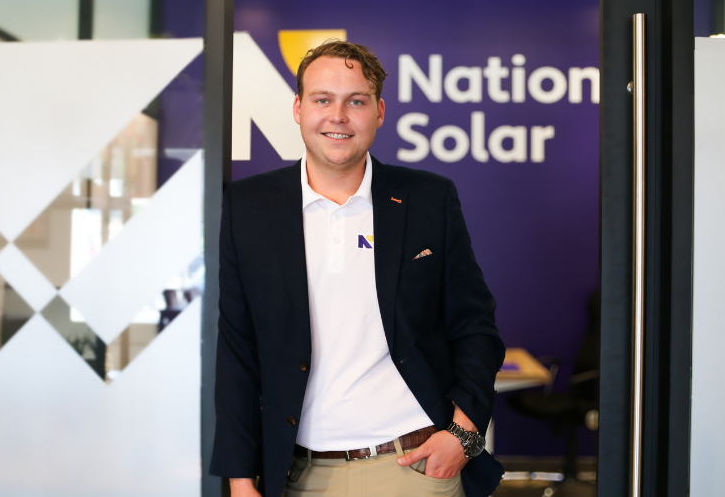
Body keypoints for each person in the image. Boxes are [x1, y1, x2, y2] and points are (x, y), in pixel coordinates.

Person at [210, 40, 505, 497]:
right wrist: (240, 481)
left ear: (379, 111)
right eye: (322, 99)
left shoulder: (429, 199)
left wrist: (463, 438)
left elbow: (475, 327)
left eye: (356, 101)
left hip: (415, 469)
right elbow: (237, 352)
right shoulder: (247, 208)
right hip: (294, 475)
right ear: (298, 108)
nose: (338, 116)